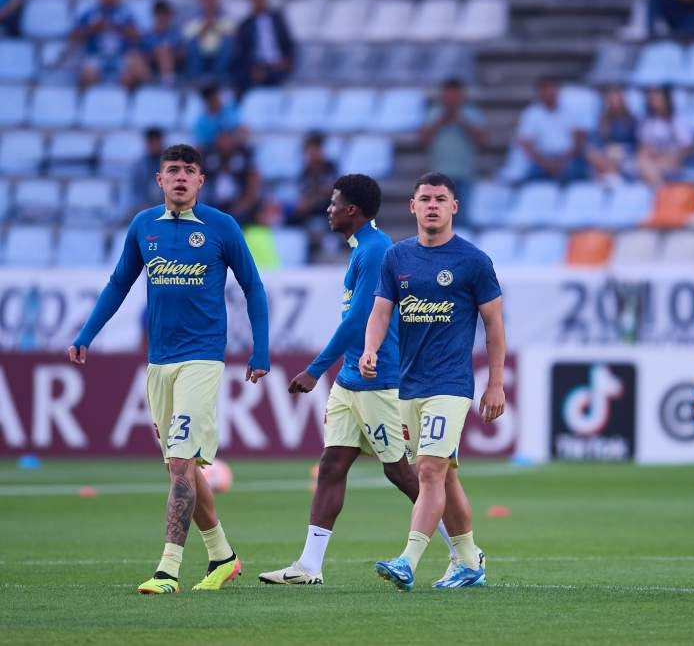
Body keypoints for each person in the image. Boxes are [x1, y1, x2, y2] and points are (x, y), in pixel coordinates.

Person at [68, 144, 270, 594]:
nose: (181, 177)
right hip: (159, 362)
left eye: (189, 171)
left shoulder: (221, 227)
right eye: (172, 171)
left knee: (181, 461)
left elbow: (253, 287)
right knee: (181, 469)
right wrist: (86, 334)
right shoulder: (144, 226)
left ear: (201, 181)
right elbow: (120, 282)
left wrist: (261, 351)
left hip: (202, 358)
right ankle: (223, 556)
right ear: (159, 180)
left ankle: (167, 570)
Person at [258, 174, 457, 585]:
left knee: (403, 473)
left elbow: (359, 321)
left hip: (381, 380)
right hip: (351, 381)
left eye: (333, 203)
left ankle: (464, 553)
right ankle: (309, 566)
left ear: (352, 210)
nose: (328, 210)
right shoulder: (361, 249)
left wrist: (314, 370)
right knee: (332, 464)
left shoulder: (377, 251)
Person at [361, 172, 506, 591]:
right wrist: (371, 349)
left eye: (441, 199)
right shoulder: (397, 258)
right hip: (409, 385)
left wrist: (495, 383)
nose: (432, 205)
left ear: (454, 207)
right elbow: (380, 312)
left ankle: (408, 560)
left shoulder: (473, 261)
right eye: (424, 198)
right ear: (412, 206)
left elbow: (494, 325)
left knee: (428, 470)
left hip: (451, 383)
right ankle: (468, 560)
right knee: (445, 476)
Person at [417, 78, 486, 227]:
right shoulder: (433, 113)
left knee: (462, 221)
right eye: (448, 95)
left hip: (464, 174)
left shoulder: (472, 113)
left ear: (461, 96)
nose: (451, 99)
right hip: (438, 178)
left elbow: (482, 140)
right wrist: (441, 121)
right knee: (438, 220)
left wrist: (461, 121)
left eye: (455, 95)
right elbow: (422, 140)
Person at [69, 0, 146, 89]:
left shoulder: (125, 13)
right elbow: (73, 37)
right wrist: (92, 28)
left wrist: (120, 28)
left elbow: (138, 36)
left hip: (120, 57)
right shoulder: (90, 12)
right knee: (86, 77)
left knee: (132, 77)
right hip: (96, 57)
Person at [515, 77, 587, 183]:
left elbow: (578, 141)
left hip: (566, 159)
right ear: (540, 93)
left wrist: (563, 161)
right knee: (530, 178)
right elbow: (526, 144)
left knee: (577, 173)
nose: (550, 93)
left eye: (552, 90)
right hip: (541, 160)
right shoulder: (531, 114)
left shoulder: (570, 111)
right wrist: (546, 164)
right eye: (546, 90)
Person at [232, 0, 295, 97]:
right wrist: (252, 68)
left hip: (278, 64)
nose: (258, 1)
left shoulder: (277, 19)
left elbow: (288, 43)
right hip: (258, 67)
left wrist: (287, 60)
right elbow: (242, 53)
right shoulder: (245, 25)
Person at [636, 86, 694, 188]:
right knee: (642, 160)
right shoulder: (647, 122)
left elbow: (688, 147)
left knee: (648, 167)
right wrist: (652, 152)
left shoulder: (677, 121)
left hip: (674, 159)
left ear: (666, 101)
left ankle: (660, 189)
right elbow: (644, 146)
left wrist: (671, 155)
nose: (655, 103)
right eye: (652, 100)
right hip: (654, 160)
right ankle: (661, 188)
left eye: (658, 99)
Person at [585, 85, 637, 188]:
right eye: (611, 100)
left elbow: (637, 146)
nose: (614, 104)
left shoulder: (631, 122)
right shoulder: (601, 123)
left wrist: (616, 153)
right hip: (605, 159)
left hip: (625, 159)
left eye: (617, 100)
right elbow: (592, 147)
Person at [182, 0, 234, 85]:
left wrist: (215, 27)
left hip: (218, 56)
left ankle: (218, 79)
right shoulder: (193, 17)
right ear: (202, 0)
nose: (210, 2)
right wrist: (203, 29)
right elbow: (186, 37)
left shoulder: (225, 16)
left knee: (228, 43)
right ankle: (195, 80)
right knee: (192, 45)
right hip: (199, 56)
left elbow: (232, 33)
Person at [141, 0, 183, 86]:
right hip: (152, 68)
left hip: (174, 66)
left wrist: (169, 51)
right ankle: (153, 82)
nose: (163, 17)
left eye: (166, 14)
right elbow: (143, 55)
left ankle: (168, 82)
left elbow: (182, 54)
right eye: (160, 14)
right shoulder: (148, 35)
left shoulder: (176, 33)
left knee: (164, 52)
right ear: (155, 16)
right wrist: (155, 54)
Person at [128, 127, 165, 213]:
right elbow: (135, 191)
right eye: (150, 142)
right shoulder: (139, 166)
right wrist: (142, 205)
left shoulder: (172, 164)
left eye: (156, 142)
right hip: (145, 209)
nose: (153, 145)